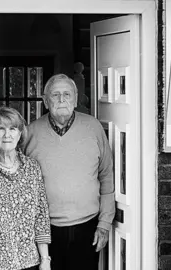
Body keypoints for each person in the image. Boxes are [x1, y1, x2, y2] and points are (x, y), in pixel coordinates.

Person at [24, 74, 115, 270]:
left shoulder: (93, 127)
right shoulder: (30, 133)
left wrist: (104, 224)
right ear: (45, 101)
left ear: (75, 98)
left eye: (67, 94)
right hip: (43, 232)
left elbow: (106, 176)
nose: (62, 99)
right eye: (55, 95)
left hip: (87, 227)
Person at [0, 106, 51, 270]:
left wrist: (45, 259)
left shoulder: (32, 168)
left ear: (20, 133)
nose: (7, 134)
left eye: (12, 129)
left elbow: (41, 215)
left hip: (29, 260)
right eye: (1, 129)